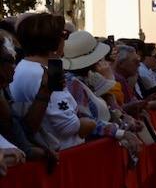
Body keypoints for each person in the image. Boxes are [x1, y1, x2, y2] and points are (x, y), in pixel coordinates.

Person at [9, 13, 93, 151]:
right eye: (63, 35)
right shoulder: (44, 72)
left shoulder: (24, 67)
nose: (65, 40)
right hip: (62, 156)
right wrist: (91, 124)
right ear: (54, 41)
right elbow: (67, 125)